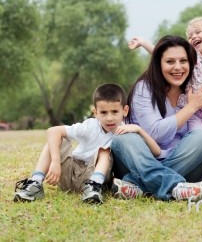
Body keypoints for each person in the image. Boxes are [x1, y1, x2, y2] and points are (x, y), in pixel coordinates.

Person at [128, 17, 202, 189]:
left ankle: (140, 184)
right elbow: (163, 54)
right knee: (123, 140)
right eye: (190, 35)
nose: (178, 66)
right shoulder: (193, 60)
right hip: (158, 152)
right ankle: (169, 183)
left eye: (197, 32)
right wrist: (143, 42)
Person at [14, 83, 160, 204]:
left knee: (105, 151)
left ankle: (93, 189)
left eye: (115, 112)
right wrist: (56, 162)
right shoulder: (90, 125)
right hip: (68, 173)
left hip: (94, 175)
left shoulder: (127, 131)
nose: (109, 118)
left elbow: (156, 152)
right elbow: (53, 131)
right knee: (57, 139)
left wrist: (139, 130)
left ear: (125, 110)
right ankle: (35, 183)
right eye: (103, 113)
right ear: (95, 112)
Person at [111, 35, 202, 201]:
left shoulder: (192, 91)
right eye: (170, 62)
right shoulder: (144, 88)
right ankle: (175, 186)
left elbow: (199, 136)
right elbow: (156, 133)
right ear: (158, 63)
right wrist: (191, 107)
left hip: (182, 162)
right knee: (123, 139)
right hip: (140, 161)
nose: (178, 67)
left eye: (183, 61)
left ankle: (137, 186)